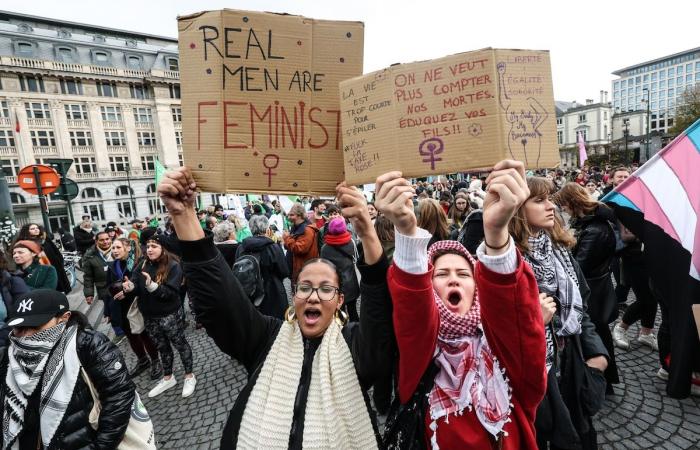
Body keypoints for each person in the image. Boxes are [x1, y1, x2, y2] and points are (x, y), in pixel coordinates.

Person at [158, 167, 393, 449]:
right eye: (305, 287)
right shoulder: (266, 337)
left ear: (341, 300)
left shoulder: (355, 345)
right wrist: (183, 215)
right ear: (294, 296)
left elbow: (381, 320)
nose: (314, 296)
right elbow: (221, 303)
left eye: (326, 289)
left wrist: (367, 231)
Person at [380, 160, 546, 449]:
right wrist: (405, 232)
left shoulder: (503, 352)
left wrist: (496, 236)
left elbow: (514, 315)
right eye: (441, 274)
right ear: (428, 287)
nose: (453, 279)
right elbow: (413, 311)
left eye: (463, 273)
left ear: (479, 286)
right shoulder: (421, 353)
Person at [509, 176, 609, 450]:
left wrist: (597, 355)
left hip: (572, 364)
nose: (550, 206)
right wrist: (536, 323)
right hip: (535, 376)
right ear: (518, 209)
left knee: (578, 435)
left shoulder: (559, 252)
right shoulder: (508, 264)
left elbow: (582, 308)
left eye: (551, 198)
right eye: (539, 200)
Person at [0, 289, 137, 448]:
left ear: (64, 318)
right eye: (19, 328)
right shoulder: (8, 356)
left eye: (34, 326)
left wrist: (101, 446)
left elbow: (119, 396)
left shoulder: (88, 345)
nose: (24, 335)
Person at [554, 182, 620, 393]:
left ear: (572, 203)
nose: (563, 210)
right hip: (593, 287)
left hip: (593, 291)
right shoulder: (589, 224)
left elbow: (579, 267)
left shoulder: (595, 229)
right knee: (598, 334)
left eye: (564, 206)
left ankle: (603, 382)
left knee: (597, 336)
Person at [123, 234, 196, 398]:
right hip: (149, 316)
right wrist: (130, 288)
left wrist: (152, 286)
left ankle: (189, 376)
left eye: (154, 246)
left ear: (163, 248)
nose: (149, 249)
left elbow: (170, 293)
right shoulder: (141, 264)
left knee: (180, 344)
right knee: (162, 348)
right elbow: (136, 287)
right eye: (148, 246)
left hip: (169, 314)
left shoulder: (173, 266)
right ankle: (168, 377)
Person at [108, 237, 161, 379]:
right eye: (113, 248)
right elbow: (107, 286)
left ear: (128, 248)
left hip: (136, 303)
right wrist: (108, 310)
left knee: (144, 333)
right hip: (119, 306)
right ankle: (143, 360)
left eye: (118, 247)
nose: (114, 250)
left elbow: (143, 284)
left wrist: (126, 291)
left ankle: (156, 361)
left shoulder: (138, 264)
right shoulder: (112, 265)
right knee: (131, 335)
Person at [611, 224, 660, 351]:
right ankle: (621, 327)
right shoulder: (629, 210)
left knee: (653, 297)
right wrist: (647, 233)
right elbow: (625, 235)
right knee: (645, 299)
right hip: (633, 259)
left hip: (651, 257)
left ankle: (646, 333)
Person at [235, 215, 289, 319]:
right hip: (273, 290)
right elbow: (284, 271)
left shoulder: (241, 247)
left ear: (251, 228)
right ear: (267, 228)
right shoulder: (273, 247)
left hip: (249, 290)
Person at [320, 217, 361, 322]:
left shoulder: (325, 248)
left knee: (339, 309)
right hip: (351, 282)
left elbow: (324, 268)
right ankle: (355, 331)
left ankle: (342, 331)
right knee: (352, 309)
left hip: (336, 284)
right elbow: (356, 258)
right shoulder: (351, 242)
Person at [16, 224, 71, 294]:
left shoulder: (44, 239)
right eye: (32, 229)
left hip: (55, 266)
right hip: (40, 270)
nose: (36, 229)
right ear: (26, 231)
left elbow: (55, 251)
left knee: (60, 290)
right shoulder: (25, 243)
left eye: (37, 228)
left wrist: (60, 261)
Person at [283, 203, 320, 284]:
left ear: (300, 215)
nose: (289, 217)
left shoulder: (308, 230)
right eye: (289, 215)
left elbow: (300, 249)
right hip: (296, 268)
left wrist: (287, 238)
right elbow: (290, 247)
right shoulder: (295, 227)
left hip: (304, 269)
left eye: (292, 215)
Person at [82, 231, 113, 307]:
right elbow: (88, 277)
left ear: (111, 239)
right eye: (102, 240)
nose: (105, 242)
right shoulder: (90, 256)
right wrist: (89, 294)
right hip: (104, 290)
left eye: (107, 239)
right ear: (96, 241)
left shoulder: (118, 250)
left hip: (120, 288)